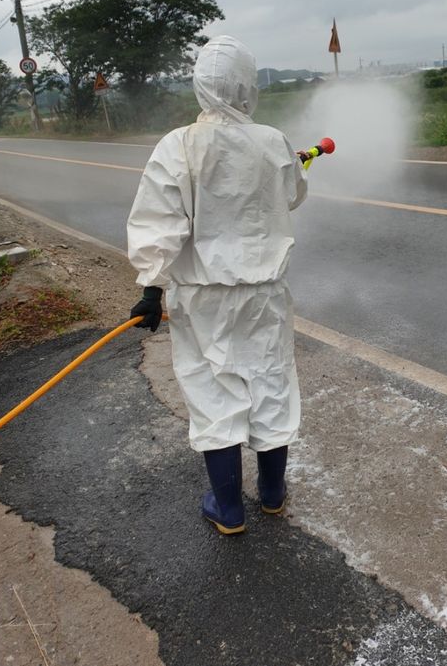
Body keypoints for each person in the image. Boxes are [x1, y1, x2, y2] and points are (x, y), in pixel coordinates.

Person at [127, 35, 307, 535]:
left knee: (213, 393)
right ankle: (272, 494)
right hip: (264, 295)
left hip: (203, 297)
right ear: (248, 86)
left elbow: (157, 226)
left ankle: (229, 510)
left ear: (201, 85)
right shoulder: (273, 141)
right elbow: (290, 195)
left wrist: (150, 290)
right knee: (270, 382)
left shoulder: (178, 145)